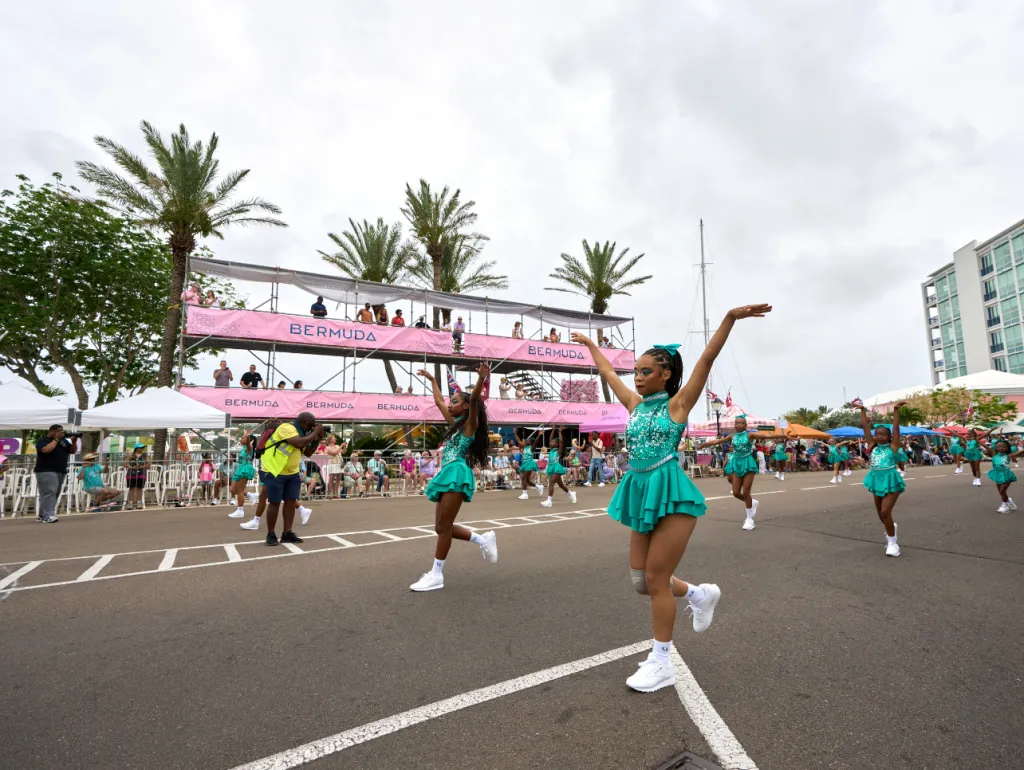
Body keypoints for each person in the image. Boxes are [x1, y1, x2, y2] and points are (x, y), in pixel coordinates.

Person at [569, 302, 771, 693]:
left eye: (647, 372)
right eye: (637, 372)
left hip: (672, 494)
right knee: (639, 582)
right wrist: (589, 345)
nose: (639, 378)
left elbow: (707, 359)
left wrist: (729, 318)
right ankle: (699, 593)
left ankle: (662, 661)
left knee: (656, 581)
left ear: (666, 375)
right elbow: (607, 372)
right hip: (640, 490)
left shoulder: (678, 404)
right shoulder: (634, 404)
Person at [409, 365, 497, 592]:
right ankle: (483, 540)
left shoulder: (470, 425)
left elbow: (476, 399)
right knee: (440, 527)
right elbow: (439, 402)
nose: (450, 404)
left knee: (444, 526)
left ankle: (436, 575)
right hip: (447, 472)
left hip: (457, 473)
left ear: (466, 407)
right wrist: (432, 380)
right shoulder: (456, 426)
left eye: (455, 401)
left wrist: (481, 378)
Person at [259, 412, 325, 546]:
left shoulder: (302, 433)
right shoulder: (287, 428)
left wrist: (317, 439)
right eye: (311, 425)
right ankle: (271, 534)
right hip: (275, 471)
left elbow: (307, 452)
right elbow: (298, 443)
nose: (312, 428)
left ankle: (287, 533)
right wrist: (315, 433)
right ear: (306, 422)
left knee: (290, 502)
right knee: (275, 502)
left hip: (292, 472)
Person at [702, 415, 777, 530]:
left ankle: (749, 519)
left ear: (746, 425)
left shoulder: (749, 435)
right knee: (736, 493)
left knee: (746, 491)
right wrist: (705, 444)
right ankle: (753, 502)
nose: (739, 425)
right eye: (737, 423)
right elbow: (718, 441)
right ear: (734, 425)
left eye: (742, 423)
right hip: (737, 463)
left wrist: (784, 436)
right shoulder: (732, 436)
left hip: (748, 463)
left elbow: (765, 435)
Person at [858, 403, 908, 557]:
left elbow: (896, 428)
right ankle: (890, 527)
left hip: (891, 479)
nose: (879, 436)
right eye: (877, 434)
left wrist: (896, 411)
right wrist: (862, 410)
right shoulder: (872, 446)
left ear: (889, 437)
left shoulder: (893, 446)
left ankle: (893, 544)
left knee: (886, 511)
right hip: (875, 479)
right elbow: (865, 425)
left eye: (883, 434)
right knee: (881, 514)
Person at [240, 420, 281, 530]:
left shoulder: (273, 437)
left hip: (274, 471)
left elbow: (257, 451)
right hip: (269, 470)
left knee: (272, 499)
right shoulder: (272, 438)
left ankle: (258, 522)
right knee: (266, 496)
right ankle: (256, 520)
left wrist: (250, 437)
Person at [33, 425, 78, 523]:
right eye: (59, 431)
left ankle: (42, 515)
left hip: (60, 470)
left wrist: (73, 442)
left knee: (54, 493)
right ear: (53, 431)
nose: (62, 433)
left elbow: (72, 451)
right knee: (49, 492)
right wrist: (56, 439)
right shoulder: (43, 440)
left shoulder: (63, 441)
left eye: (62, 431)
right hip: (46, 470)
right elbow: (46, 450)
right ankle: (48, 515)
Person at [982, 438, 1022, 512]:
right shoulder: (994, 454)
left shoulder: (1009, 455)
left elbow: (1021, 451)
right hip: (997, 474)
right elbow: (985, 446)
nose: (1001, 448)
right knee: (1001, 492)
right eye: (998, 446)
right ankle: (1008, 501)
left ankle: (1005, 507)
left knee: (1002, 491)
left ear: (1007, 448)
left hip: (1006, 474)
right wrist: (977, 440)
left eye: (1003, 447)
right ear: (996, 448)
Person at [541, 427, 576, 508]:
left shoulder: (558, 451)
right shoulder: (551, 450)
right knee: (561, 484)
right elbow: (550, 439)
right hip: (551, 467)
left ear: (556, 444)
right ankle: (571, 493)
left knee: (551, 482)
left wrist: (560, 432)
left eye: (553, 442)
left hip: (556, 467)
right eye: (551, 442)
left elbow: (561, 442)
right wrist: (553, 430)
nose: (551, 443)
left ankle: (549, 501)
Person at [228, 432, 257, 519]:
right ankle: (250, 495)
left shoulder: (249, 447)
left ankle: (240, 510)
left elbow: (248, 443)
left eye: (243, 438)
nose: (241, 439)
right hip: (240, 468)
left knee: (239, 490)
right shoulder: (244, 448)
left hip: (245, 469)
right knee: (232, 489)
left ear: (249, 440)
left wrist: (247, 436)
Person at [123, 443, 150, 510]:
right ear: (136, 448)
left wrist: (142, 466)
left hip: (141, 473)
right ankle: (130, 503)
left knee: (139, 488)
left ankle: (139, 503)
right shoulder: (131, 455)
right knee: (131, 488)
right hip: (131, 473)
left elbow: (149, 463)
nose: (141, 449)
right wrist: (131, 467)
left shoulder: (145, 455)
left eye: (142, 448)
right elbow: (124, 463)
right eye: (140, 448)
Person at [323, 434, 346, 498]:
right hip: (332, 463)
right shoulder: (327, 448)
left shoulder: (337, 446)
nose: (335, 439)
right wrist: (341, 446)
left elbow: (343, 452)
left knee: (338, 478)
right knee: (331, 478)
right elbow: (334, 453)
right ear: (330, 440)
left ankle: (335, 493)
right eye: (334, 438)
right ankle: (329, 494)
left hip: (339, 463)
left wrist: (344, 447)